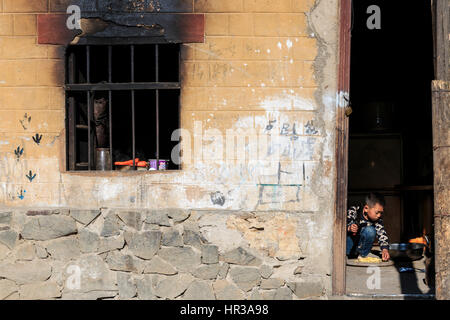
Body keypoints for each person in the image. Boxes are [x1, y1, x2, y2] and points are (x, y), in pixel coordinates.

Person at [346, 193, 390, 262]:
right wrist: (349, 228)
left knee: (370, 230)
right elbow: (342, 227)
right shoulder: (354, 211)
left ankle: (362, 256)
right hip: (349, 247)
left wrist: (385, 250)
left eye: (381, 213)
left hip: (361, 250)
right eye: (377, 212)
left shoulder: (377, 220)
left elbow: (382, 235)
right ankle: (348, 255)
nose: (379, 215)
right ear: (366, 208)